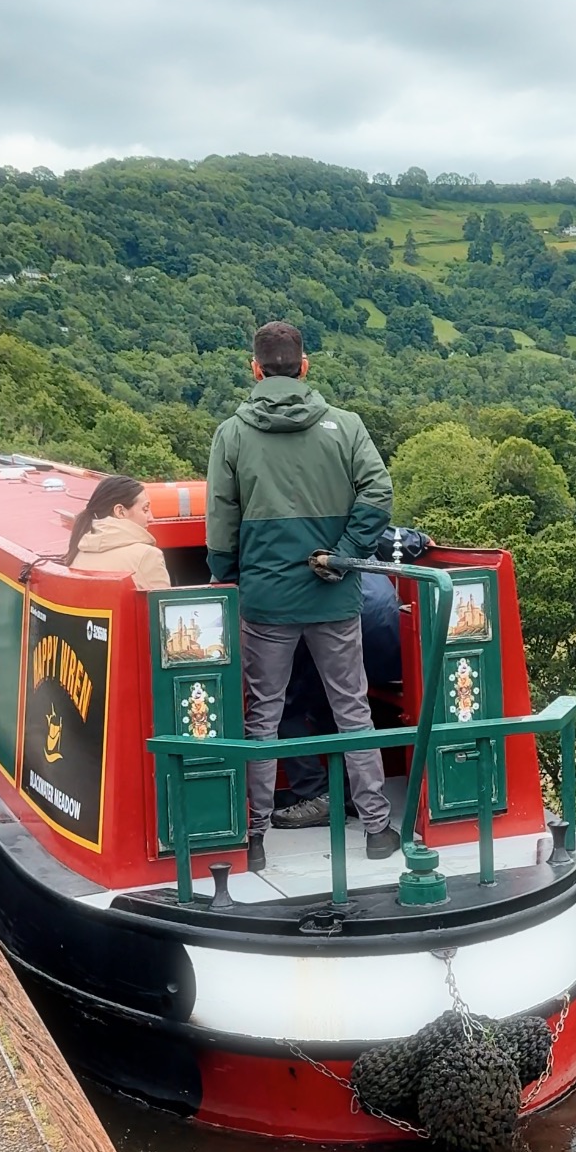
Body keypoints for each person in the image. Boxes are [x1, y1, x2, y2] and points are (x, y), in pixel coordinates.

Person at [206, 321, 396, 871]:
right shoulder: (347, 426)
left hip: (265, 600)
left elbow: (222, 518)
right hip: (335, 598)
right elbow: (378, 491)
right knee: (353, 710)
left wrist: (227, 571)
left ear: (256, 369)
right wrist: (346, 552)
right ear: (305, 367)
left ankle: (256, 837)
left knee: (262, 714)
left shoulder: (232, 434)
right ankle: (379, 830)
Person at [273, 568, 405, 827]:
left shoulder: (297, 540)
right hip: (393, 644)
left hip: (341, 621)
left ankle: (315, 794)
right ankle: (353, 794)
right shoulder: (356, 531)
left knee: (280, 703)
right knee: (341, 702)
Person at [66, 475, 170, 590]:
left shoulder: (78, 552)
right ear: (120, 511)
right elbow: (166, 606)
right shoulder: (148, 556)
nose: (151, 517)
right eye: (145, 509)